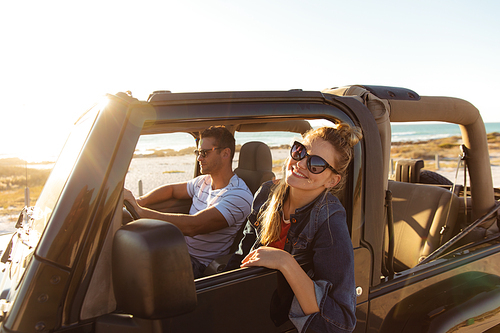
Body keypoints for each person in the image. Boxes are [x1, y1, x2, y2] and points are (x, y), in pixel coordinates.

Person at [227, 124, 362, 333]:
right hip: (248, 305)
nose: (300, 164)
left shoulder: (329, 221)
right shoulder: (266, 193)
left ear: (332, 180)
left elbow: (340, 322)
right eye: (300, 151)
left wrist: (285, 262)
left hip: (281, 320)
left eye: (316, 164)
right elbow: (242, 251)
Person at [124, 126, 253, 278]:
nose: (199, 158)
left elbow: (194, 225)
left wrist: (139, 212)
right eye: (198, 152)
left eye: (205, 153)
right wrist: (141, 201)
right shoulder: (203, 181)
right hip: (180, 249)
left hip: (200, 265)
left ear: (225, 153)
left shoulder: (239, 195)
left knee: (135, 269)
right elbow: (171, 190)